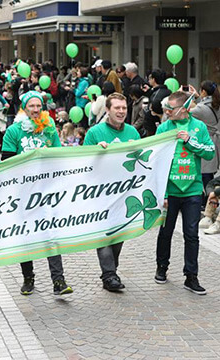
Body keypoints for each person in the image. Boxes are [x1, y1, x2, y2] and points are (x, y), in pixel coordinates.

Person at [1, 91, 73, 296]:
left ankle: (58, 280)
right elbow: (7, 161)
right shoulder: (13, 131)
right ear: (24, 108)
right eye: (31, 106)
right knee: (26, 235)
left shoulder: (49, 128)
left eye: (38, 106)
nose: (35, 110)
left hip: (46, 191)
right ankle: (28, 277)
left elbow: (57, 156)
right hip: (22, 193)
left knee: (51, 233)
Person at [155, 91, 215, 295]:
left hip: (192, 189)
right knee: (166, 232)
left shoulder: (199, 127)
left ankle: (191, 276)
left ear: (184, 109)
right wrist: (160, 192)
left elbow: (210, 152)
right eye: (167, 108)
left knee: (192, 235)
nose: (167, 111)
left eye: (171, 109)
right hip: (170, 191)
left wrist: (190, 141)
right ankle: (161, 267)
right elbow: (155, 159)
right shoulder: (164, 127)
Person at [83, 93, 140, 291]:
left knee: (118, 235)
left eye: (124, 108)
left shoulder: (133, 132)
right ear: (107, 110)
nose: (121, 111)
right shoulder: (94, 133)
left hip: (124, 194)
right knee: (104, 233)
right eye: (117, 108)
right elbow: (82, 162)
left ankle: (111, 270)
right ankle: (109, 275)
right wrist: (95, 152)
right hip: (101, 193)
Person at [190, 81, 220, 195]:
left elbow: (186, 111)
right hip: (213, 141)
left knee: (205, 175)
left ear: (203, 91)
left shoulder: (201, 109)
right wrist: (198, 97)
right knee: (209, 174)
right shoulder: (217, 105)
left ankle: (209, 200)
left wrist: (186, 97)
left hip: (204, 141)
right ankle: (210, 200)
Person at [143, 69, 170, 136]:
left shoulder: (156, 96)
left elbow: (153, 109)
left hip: (153, 127)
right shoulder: (168, 92)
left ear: (154, 79)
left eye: (150, 78)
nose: (148, 80)